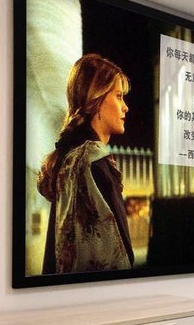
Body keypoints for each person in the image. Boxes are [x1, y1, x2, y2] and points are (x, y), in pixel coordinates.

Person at [37, 53, 135, 274]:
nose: (125, 107)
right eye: (119, 96)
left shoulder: (70, 158)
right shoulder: (94, 163)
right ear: (96, 100)